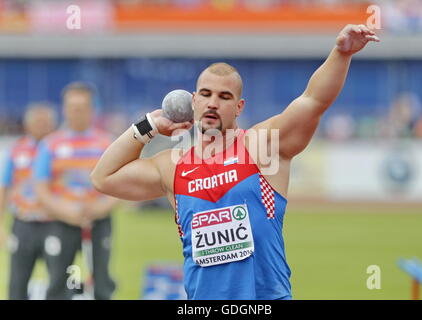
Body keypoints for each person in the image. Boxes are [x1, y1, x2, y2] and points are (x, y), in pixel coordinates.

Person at [91, 24, 380, 300]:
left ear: (239, 107)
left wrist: (341, 54)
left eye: (224, 96)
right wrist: (149, 124)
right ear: (193, 102)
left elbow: (313, 101)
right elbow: (104, 177)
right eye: (205, 94)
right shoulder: (173, 166)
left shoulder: (261, 146)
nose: (213, 103)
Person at [34, 82, 118, 300]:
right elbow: (41, 188)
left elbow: (118, 186)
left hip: (98, 222)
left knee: (101, 282)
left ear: (92, 109)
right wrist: (64, 211)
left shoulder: (106, 143)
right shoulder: (50, 144)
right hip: (61, 222)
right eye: (72, 107)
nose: (77, 112)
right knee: (58, 283)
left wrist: (100, 208)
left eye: (82, 107)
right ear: (64, 108)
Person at [0, 103, 56, 299]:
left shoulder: (60, 148)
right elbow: (4, 187)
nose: (42, 126)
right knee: (17, 280)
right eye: (38, 122)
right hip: (23, 223)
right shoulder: (17, 150)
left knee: (61, 277)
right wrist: (0, 225)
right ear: (28, 125)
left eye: (46, 122)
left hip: (54, 222)